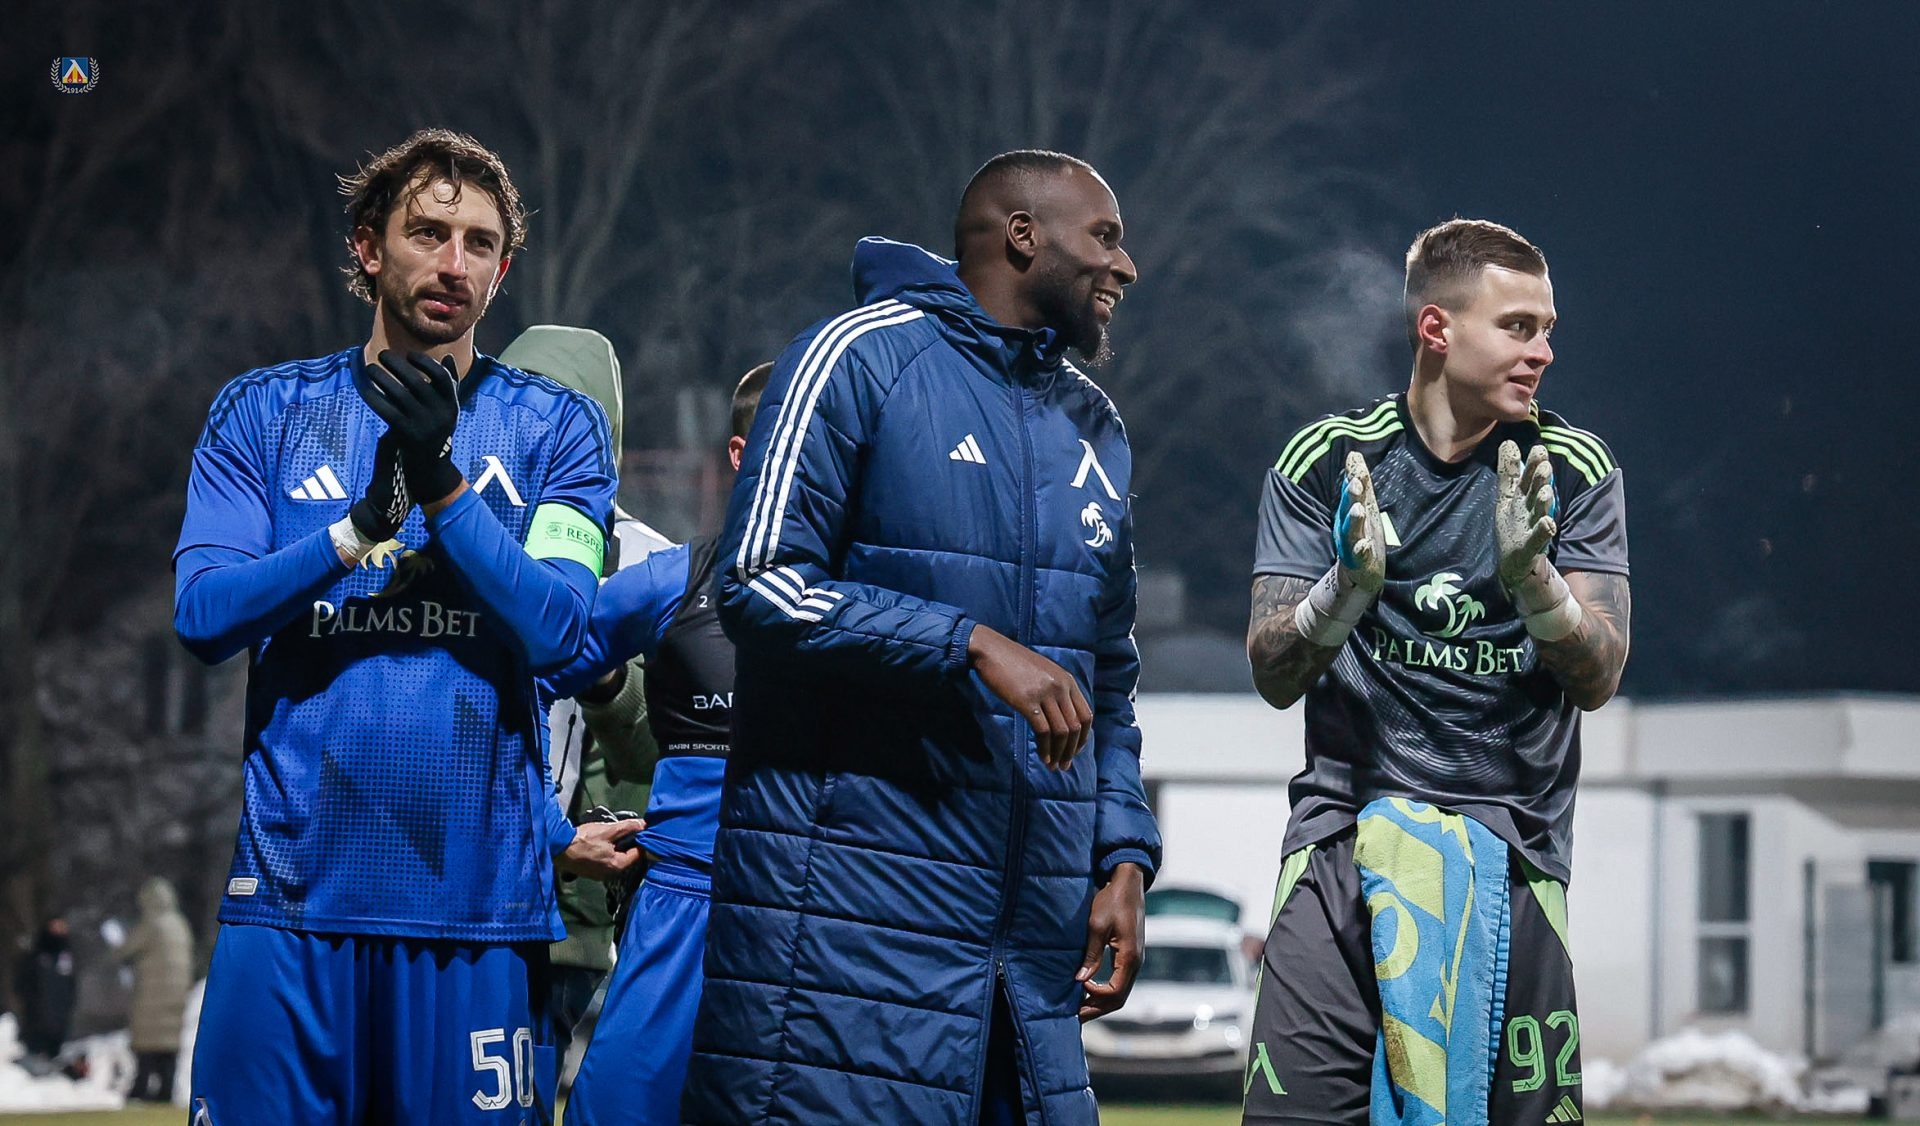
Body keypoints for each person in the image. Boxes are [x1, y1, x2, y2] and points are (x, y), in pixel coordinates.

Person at [172, 128, 641, 1125]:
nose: (454, 263)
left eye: (480, 244)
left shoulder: (557, 428)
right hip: (290, 907)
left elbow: (561, 631)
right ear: (368, 248)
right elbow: (203, 617)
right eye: (428, 233)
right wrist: (354, 533)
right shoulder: (264, 412)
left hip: (479, 914)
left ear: (503, 271)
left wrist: (441, 488)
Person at [684, 150, 1162, 1126]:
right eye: (1105, 237)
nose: (1126, 265)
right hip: (843, 958)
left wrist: (1122, 854)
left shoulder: (1095, 427)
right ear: (1024, 236)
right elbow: (757, 583)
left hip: (1024, 973)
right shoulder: (854, 357)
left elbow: (1109, 676)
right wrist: (969, 642)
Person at [1241, 218, 1631, 1124]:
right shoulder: (1332, 460)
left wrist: (1535, 583)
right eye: (1519, 326)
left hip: (1512, 849)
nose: (1543, 351)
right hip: (1343, 841)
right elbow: (1272, 671)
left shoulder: (1572, 467)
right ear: (1436, 329)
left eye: (1548, 329)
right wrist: (1346, 587)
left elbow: (1599, 674)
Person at [555, 361, 768, 1126]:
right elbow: (524, 668)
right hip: (685, 904)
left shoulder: (880, 597)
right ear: (741, 453)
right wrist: (549, 830)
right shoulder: (671, 583)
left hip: (825, 911)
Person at [497, 324, 664, 1080]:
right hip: (448, 883)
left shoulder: (651, 564)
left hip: (570, 910)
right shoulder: (458, 521)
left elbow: (666, 747)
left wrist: (604, 680)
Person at [118, 877, 194, 1103]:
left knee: (147, 1044)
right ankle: (165, 1090)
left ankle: (140, 1088)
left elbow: (126, 949)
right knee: (168, 1046)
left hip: (151, 996)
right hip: (177, 997)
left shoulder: (152, 924)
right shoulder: (180, 924)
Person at [10, 916, 75, 1072]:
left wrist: (70, 1002)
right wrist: (31, 1002)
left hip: (59, 1017)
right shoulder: (36, 955)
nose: (59, 931)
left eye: (62, 927)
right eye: (55, 927)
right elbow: (22, 983)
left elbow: (72, 984)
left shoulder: (67, 957)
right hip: (37, 1016)